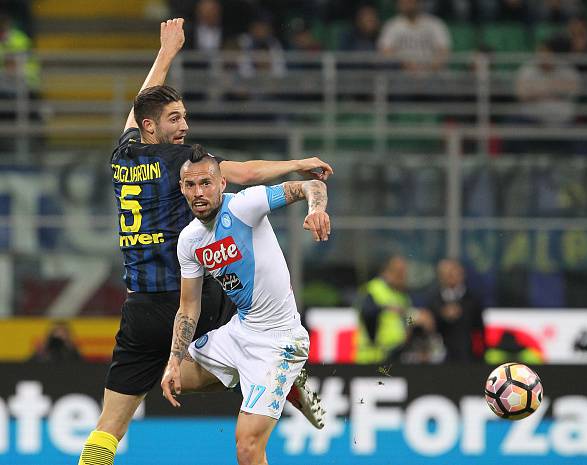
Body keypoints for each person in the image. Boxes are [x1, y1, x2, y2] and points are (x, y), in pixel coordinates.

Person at [77, 18, 330, 465]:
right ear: (153, 128)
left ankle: (274, 373)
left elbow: (137, 112)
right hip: (192, 299)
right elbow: (246, 174)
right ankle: (282, 373)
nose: (184, 127)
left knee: (108, 426)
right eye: (175, 119)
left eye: (186, 118)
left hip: (139, 310)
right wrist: (298, 163)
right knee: (258, 326)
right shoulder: (181, 164)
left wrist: (166, 53)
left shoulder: (122, 156)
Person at [160, 148, 331, 465]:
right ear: (182, 189)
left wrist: (316, 210)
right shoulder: (190, 240)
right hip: (240, 332)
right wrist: (173, 360)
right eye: (191, 185)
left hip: (280, 341)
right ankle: (277, 385)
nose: (199, 192)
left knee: (247, 449)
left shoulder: (244, 205)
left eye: (206, 183)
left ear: (222, 183)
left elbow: (311, 186)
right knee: (177, 379)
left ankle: (274, 380)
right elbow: (188, 308)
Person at [354, 255, 434, 364]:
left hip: (393, 355)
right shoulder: (373, 289)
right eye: (398, 272)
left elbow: (407, 318)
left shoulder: (401, 296)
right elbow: (368, 313)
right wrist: (386, 308)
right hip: (371, 356)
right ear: (386, 272)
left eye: (404, 273)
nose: (402, 277)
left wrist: (414, 319)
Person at [426, 259, 485, 362]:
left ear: (462, 274)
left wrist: (479, 356)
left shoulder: (473, 300)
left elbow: (479, 331)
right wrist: (441, 315)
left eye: (453, 272)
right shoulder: (432, 300)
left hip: (468, 359)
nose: (451, 276)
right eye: (446, 273)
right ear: (440, 277)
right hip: (441, 360)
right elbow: (412, 319)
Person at [378, 0, 451, 73]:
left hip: (432, 75)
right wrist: (405, 65)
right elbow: (385, 51)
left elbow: (444, 51)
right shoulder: (391, 25)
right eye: (403, 3)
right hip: (401, 75)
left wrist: (429, 68)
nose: (407, 5)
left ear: (418, 3)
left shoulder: (435, 24)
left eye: (410, 2)